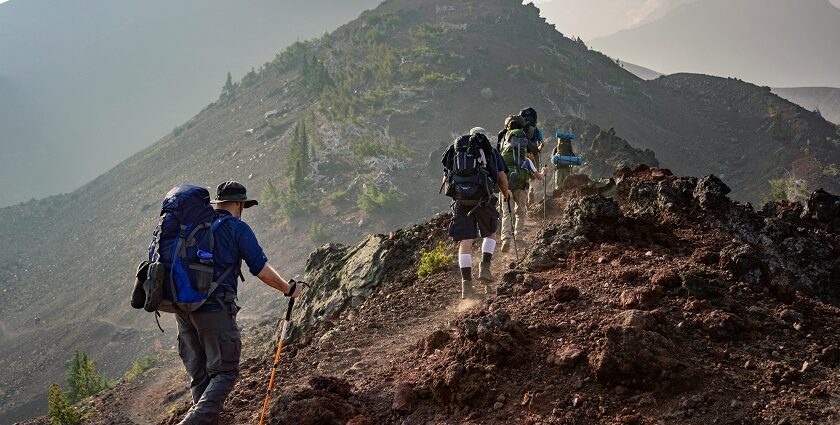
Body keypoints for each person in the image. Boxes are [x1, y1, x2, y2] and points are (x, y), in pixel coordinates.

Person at [175, 181, 303, 425]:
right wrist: (288, 289)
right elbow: (261, 270)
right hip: (214, 310)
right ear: (239, 204)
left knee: (201, 377)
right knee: (225, 373)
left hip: (183, 309)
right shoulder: (236, 228)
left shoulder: (195, 227)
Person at [442, 128, 511, 298]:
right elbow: (502, 178)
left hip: (460, 202)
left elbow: (446, 179)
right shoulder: (490, 151)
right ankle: (485, 267)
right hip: (483, 200)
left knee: (465, 243)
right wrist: (506, 193)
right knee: (491, 234)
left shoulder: (455, 152)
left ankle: (467, 285)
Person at [498, 116, 539, 252]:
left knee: (506, 213)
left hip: (506, 185)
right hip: (521, 183)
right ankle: (519, 238)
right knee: (520, 212)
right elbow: (535, 151)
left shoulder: (504, 140)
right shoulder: (524, 149)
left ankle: (505, 239)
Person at [519, 107, 547, 204]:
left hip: (522, 155)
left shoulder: (519, 130)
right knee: (533, 177)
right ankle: (530, 191)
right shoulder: (536, 130)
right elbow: (543, 143)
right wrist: (538, 149)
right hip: (533, 155)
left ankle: (524, 194)